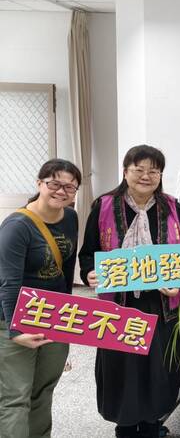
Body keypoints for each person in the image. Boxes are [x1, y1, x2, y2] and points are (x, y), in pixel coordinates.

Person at [79, 145, 180, 438]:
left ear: (161, 175)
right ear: (125, 171)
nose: (146, 176)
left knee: (159, 368)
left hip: (162, 305)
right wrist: (89, 272)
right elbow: (88, 253)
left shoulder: (174, 208)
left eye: (153, 171)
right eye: (139, 169)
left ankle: (153, 424)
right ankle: (126, 426)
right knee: (124, 369)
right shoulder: (104, 206)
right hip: (119, 305)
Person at [0, 159, 81, 438]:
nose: (61, 191)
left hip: (53, 315)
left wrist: (69, 319)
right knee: (15, 397)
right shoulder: (16, 226)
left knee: (43, 391)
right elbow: (8, 282)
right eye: (54, 184)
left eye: (70, 187)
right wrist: (15, 331)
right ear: (39, 184)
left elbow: (67, 270)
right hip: (14, 318)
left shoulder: (70, 217)